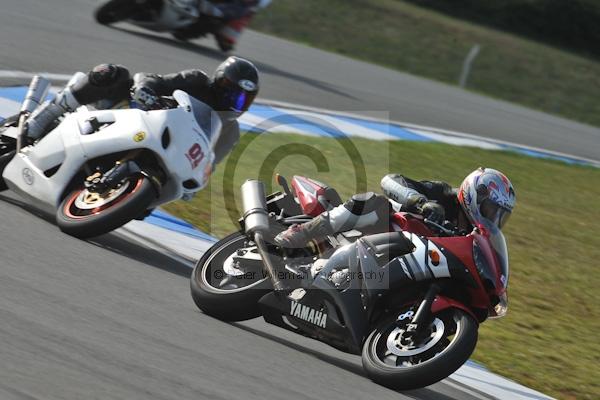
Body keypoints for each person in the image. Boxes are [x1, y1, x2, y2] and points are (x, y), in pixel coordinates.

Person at [24, 56, 259, 164]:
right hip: (134, 113)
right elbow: (153, 79)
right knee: (112, 72)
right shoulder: (196, 80)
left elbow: (209, 163)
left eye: (241, 98)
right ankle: (48, 114)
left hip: (160, 149)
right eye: (230, 90)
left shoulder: (230, 132)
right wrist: (144, 89)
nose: (232, 99)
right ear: (219, 80)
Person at [275, 168, 516, 248]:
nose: (493, 218)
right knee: (375, 202)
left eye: (499, 215)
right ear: (475, 194)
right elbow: (390, 180)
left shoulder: (472, 237)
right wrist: (420, 202)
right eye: (491, 210)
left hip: (399, 256)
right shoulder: (443, 194)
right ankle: (302, 231)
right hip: (376, 230)